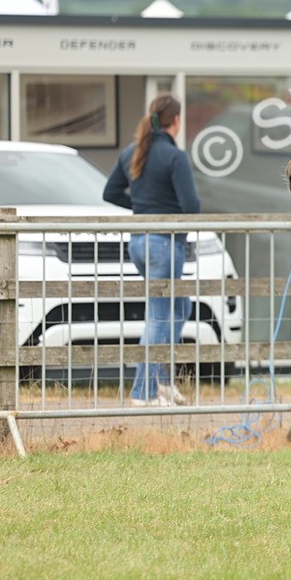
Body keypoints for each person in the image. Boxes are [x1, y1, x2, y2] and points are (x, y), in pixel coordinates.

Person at [103, 94, 202, 406]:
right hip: (164, 242)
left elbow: (111, 192)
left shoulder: (134, 151)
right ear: (176, 121)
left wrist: (144, 207)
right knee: (160, 316)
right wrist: (163, 212)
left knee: (179, 308)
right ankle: (143, 392)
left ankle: (162, 382)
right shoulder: (174, 156)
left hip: (139, 243)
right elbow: (191, 205)